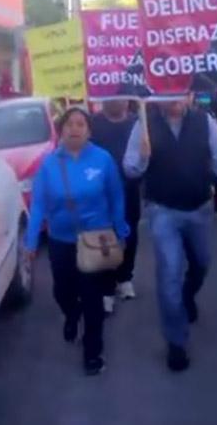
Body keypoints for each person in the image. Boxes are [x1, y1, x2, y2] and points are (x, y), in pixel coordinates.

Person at [123, 95, 217, 371]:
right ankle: (176, 342)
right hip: (163, 210)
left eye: (180, 92)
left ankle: (188, 296)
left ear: (190, 96)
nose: (174, 99)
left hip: (199, 207)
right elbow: (130, 167)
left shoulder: (204, 122)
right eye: (167, 93)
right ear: (158, 97)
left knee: (202, 263)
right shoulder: (144, 124)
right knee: (169, 272)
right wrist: (143, 157)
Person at [25, 107, 130, 375]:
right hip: (61, 241)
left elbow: (116, 196)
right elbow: (37, 205)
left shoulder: (103, 159)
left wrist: (121, 229)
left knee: (93, 298)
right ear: (61, 131)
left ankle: (92, 353)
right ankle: (72, 314)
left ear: (89, 130)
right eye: (69, 124)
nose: (74, 129)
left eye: (80, 124)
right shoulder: (49, 164)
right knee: (63, 292)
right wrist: (30, 243)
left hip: (96, 240)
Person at [91, 99, 142, 309]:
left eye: (121, 95)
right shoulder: (92, 123)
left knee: (129, 234)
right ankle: (105, 288)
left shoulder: (137, 123)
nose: (116, 100)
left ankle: (125, 277)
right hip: (100, 193)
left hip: (129, 189)